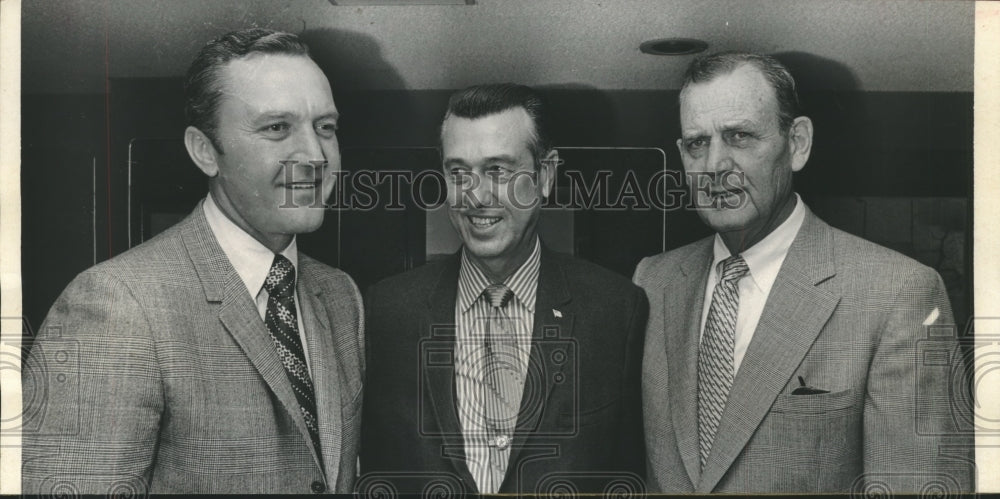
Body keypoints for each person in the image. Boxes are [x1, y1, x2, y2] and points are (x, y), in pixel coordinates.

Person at [21, 28, 363, 495]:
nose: (315, 156)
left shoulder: (341, 298)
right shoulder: (116, 306)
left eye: (325, 127)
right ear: (205, 152)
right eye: (277, 128)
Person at [634, 51, 974, 494]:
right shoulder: (651, 282)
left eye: (739, 136)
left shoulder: (898, 293)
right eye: (698, 143)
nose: (715, 166)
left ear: (797, 143)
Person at [361, 83, 647, 495]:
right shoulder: (387, 311)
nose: (475, 196)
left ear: (544, 175)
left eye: (497, 170)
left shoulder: (617, 310)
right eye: (458, 172)